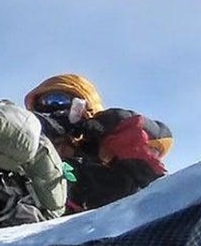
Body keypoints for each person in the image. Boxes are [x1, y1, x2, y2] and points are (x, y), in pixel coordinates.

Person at [25, 74, 172, 211]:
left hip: (121, 221)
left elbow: (158, 141)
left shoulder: (103, 149)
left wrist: (114, 122)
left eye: (57, 99)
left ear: (83, 105)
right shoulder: (31, 155)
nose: (49, 108)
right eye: (41, 104)